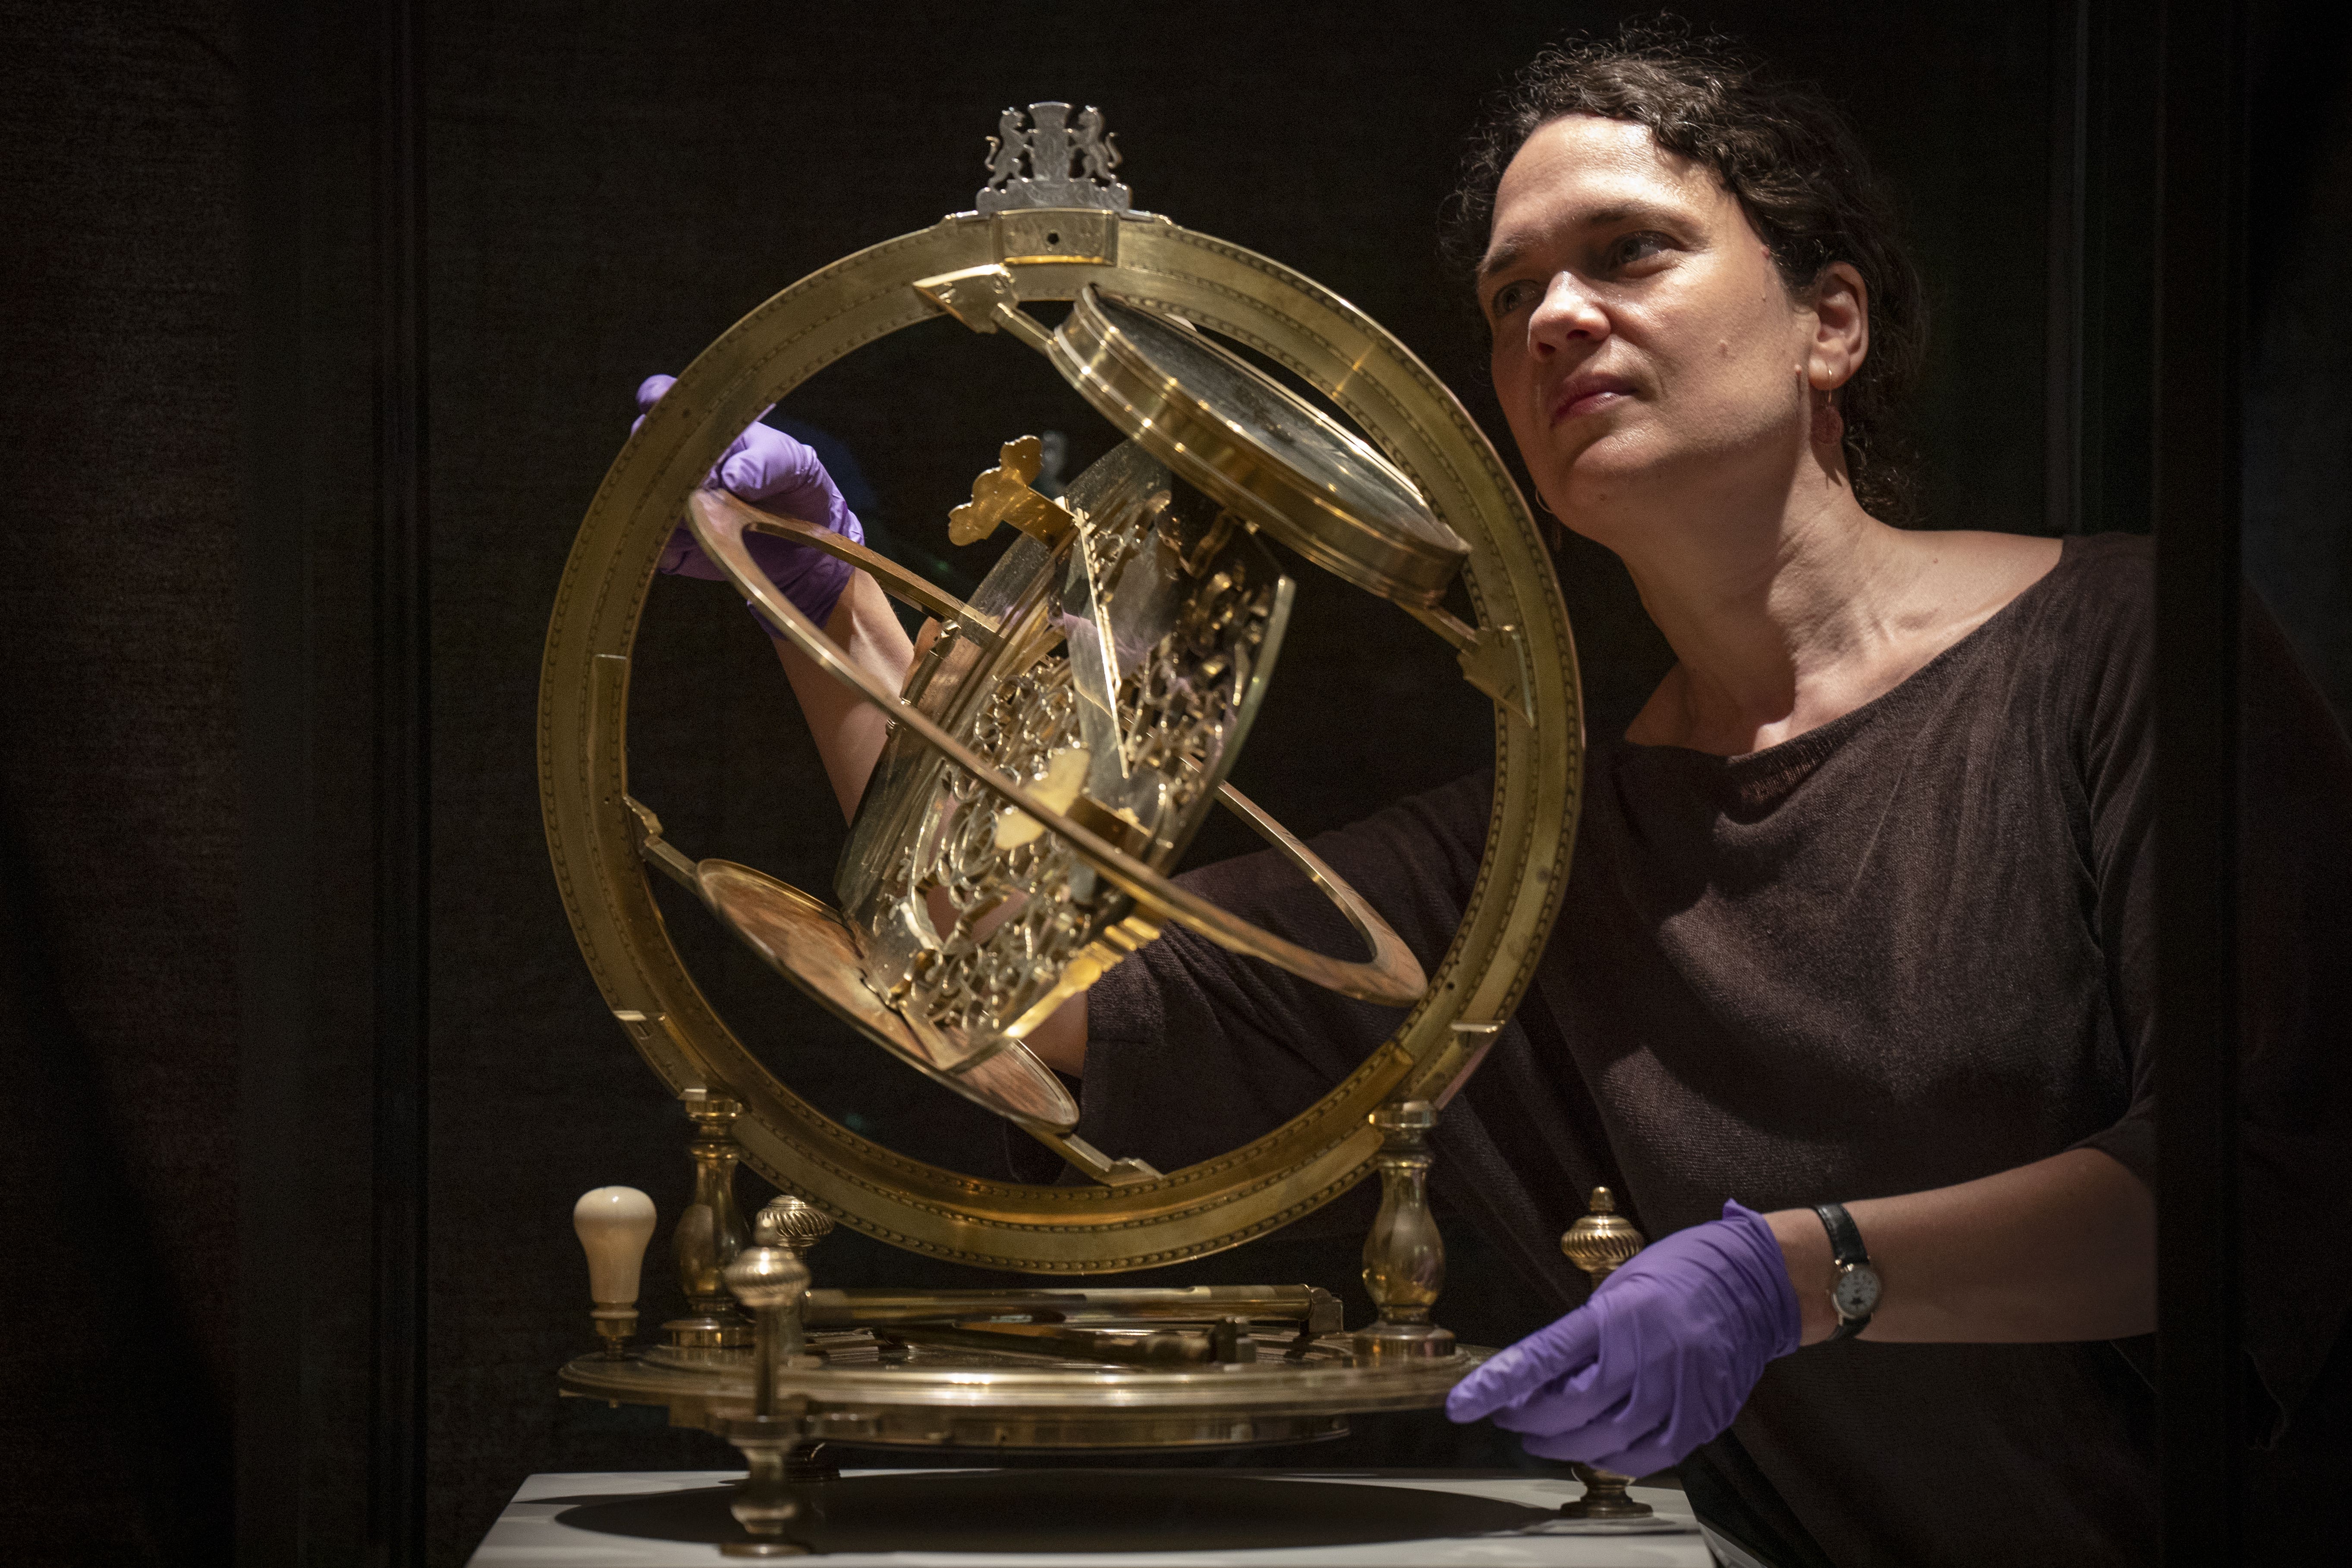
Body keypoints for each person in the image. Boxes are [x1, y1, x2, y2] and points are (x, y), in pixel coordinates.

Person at [637, 28, 2352, 1566]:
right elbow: (1007, 990)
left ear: (1832, 320)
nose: (1554, 317)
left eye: (1631, 253)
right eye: (1511, 290)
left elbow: (2269, 1190)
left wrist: (1795, 1275)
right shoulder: (1534, 850)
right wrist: (825, 592)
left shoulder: (2132, 651)